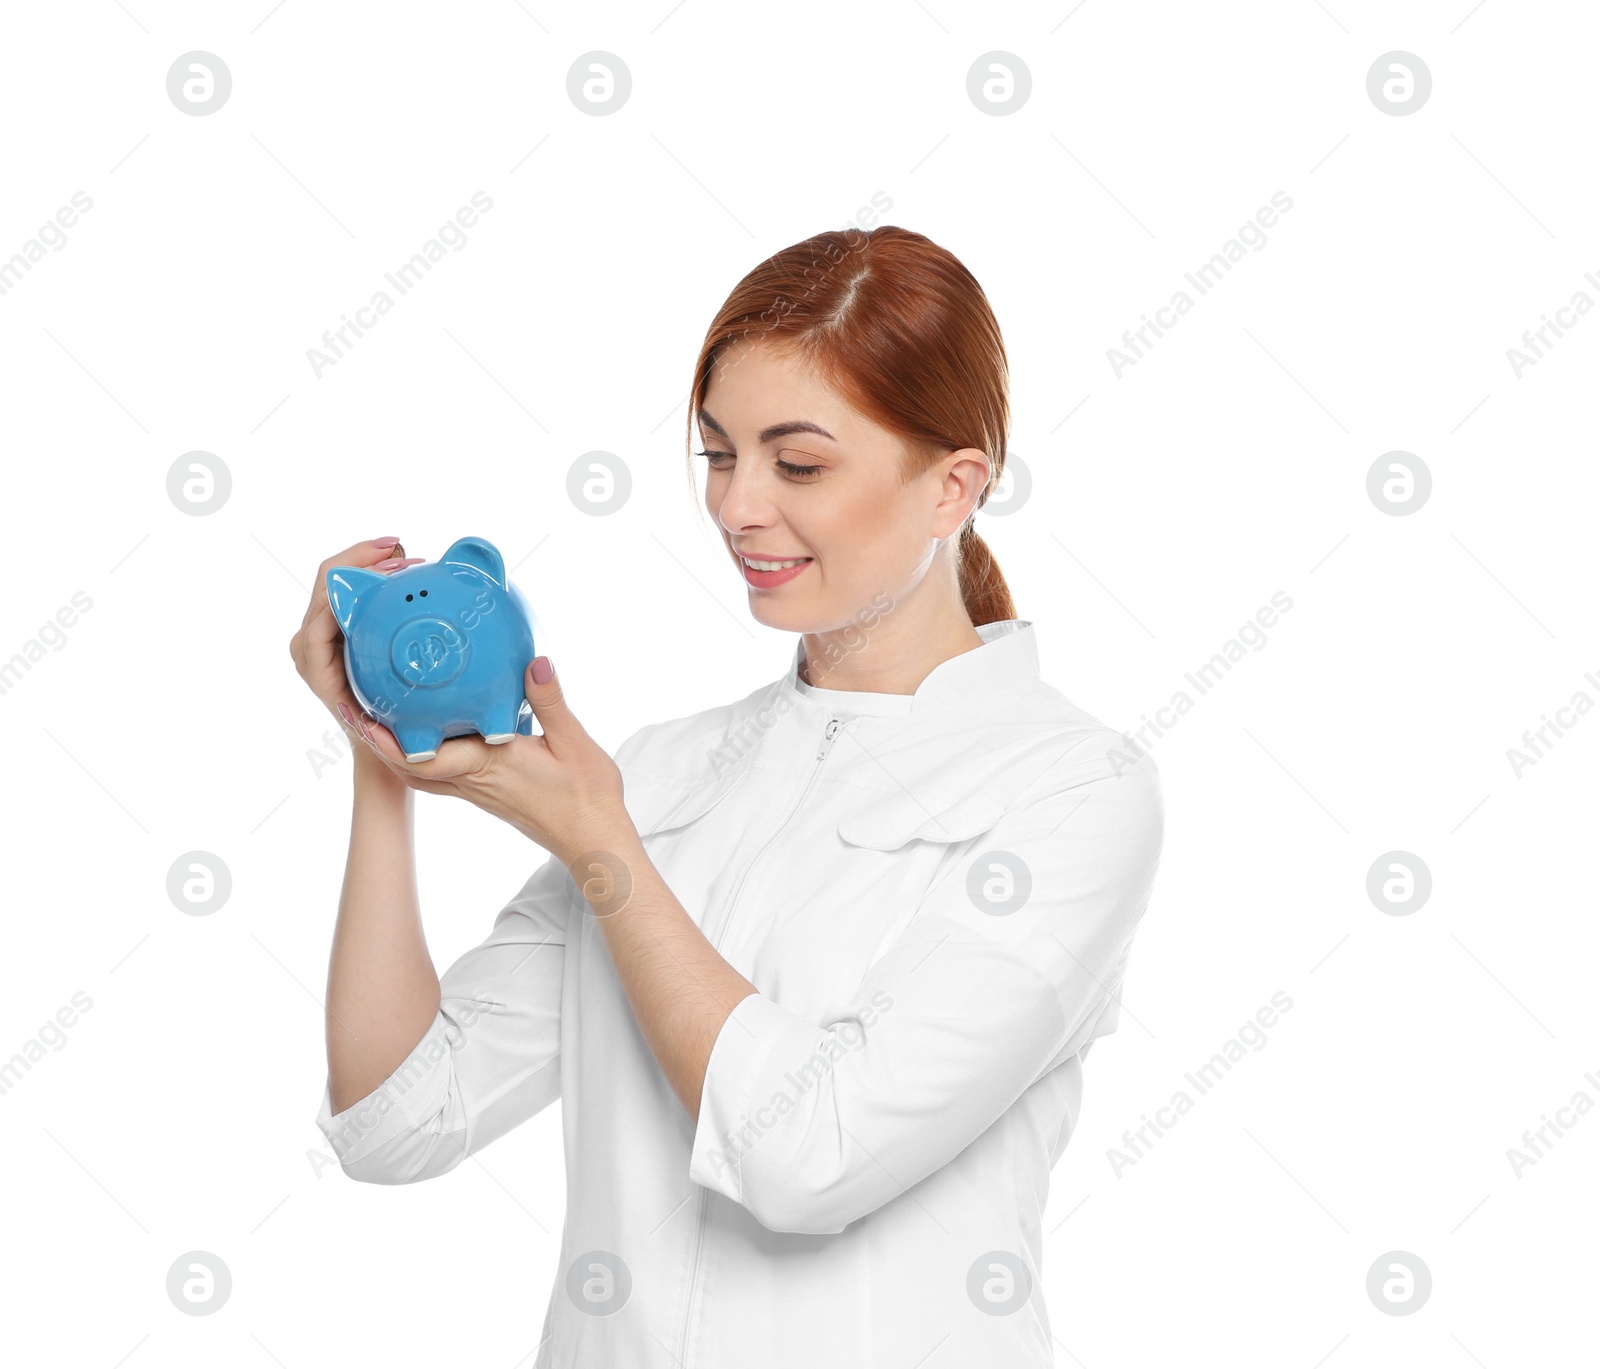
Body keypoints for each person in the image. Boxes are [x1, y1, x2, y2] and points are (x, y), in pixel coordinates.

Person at [289, 225, 1165, 1368]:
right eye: (716, 454)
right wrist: (379, 751)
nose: (736, 507)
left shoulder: (1070, 791)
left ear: (953, 485)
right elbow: (400, 1118)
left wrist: (601, 847)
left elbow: (809, 1154)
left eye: (796, 464)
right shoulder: (655, 775)